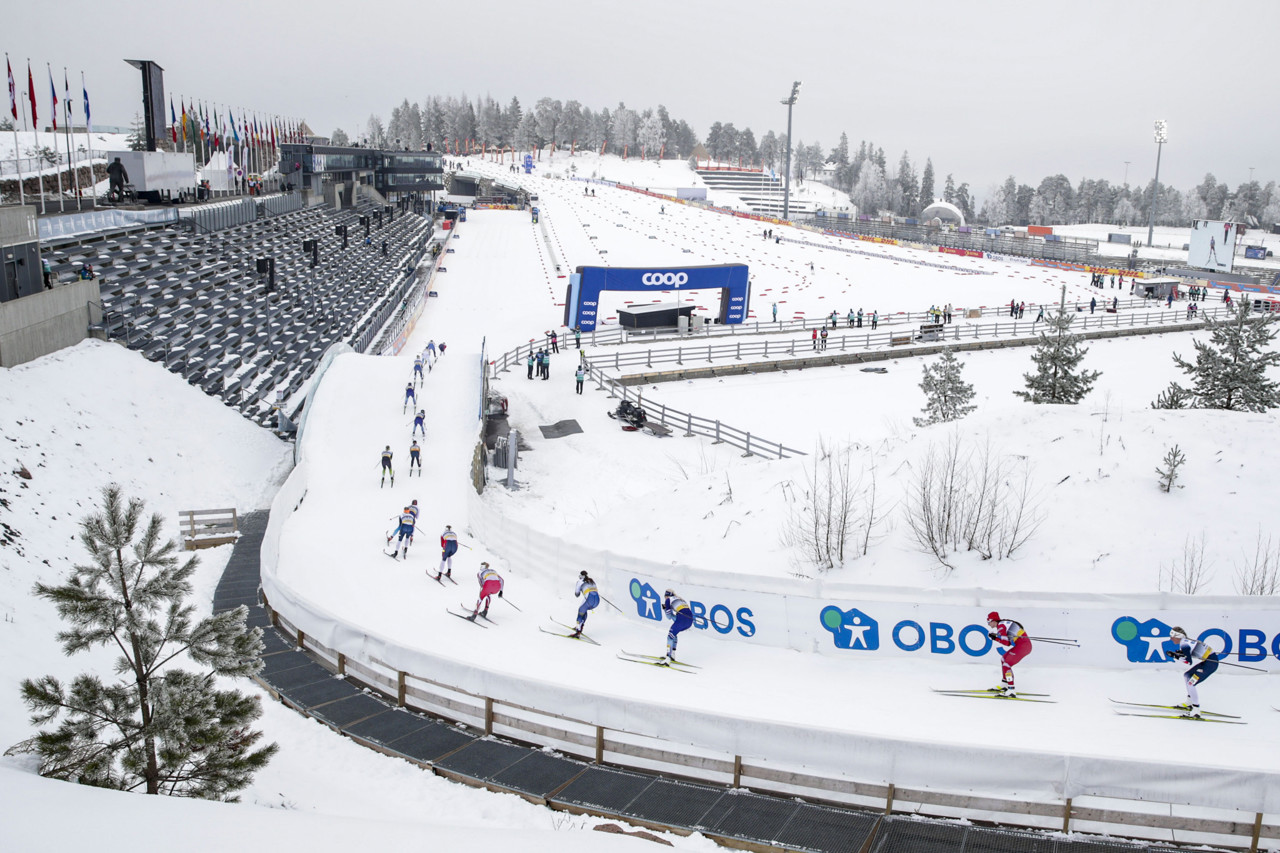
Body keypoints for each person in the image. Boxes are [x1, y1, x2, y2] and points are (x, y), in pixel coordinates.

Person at [1165, 626, 1219, 718]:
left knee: (1190, 683)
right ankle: (1190, 701)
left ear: (1178, 636)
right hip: (1208, 661)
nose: (1171, 639)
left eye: (1172, 637)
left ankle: (1196, 710)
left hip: (1210, 664)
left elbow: (1188, 662)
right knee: (1187, 675)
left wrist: (1176, 656)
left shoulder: (1184, 645)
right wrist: (1180, 654)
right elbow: (1190, 654)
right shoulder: (1185, 641)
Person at [986, 611, 1032, 696]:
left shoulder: (1001, 626)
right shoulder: (1002, 624)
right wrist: (996, 637)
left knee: (1007, 664)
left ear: (993, 620)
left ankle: (1011, 689)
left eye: (989, 622)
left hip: (1023, 646)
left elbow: (1006, 643)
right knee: (1003, 659)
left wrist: (995, 638)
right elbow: (1008, 642)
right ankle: (1005, 683)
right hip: (1023, 645)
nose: (988, 624)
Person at [662, 589, 694, 663]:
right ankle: (672, 655)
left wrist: (665, 609)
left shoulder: (668, 600)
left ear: (666, 596)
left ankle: (668, 658)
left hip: (681, 620)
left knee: (669, 637)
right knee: (674, 634)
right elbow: (676, 619)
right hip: (689, 621)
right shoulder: (681, 599)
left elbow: (669, 617)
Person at [571, 570, 599, 638]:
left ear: (581, 576)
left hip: (589, 599)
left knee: (581, 611)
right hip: (597, 601)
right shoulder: (591, 580)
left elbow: (577, 594)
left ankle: (578, 631)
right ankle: (580, 626)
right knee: (584, 610)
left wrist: (580, 588)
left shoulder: (579, 582)